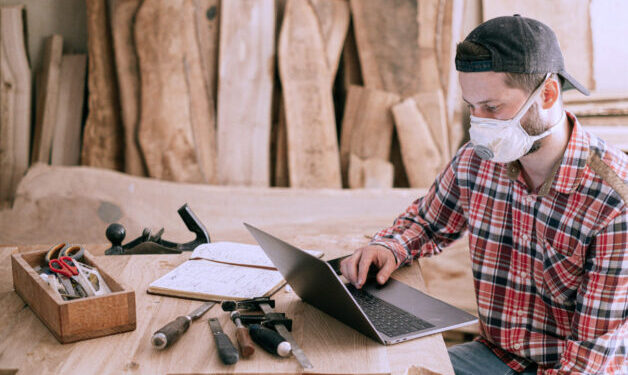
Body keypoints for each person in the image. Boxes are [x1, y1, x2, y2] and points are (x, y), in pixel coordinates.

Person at [340, 15, 627, 375]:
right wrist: (390, 247)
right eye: (471, 107)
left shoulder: (614, 204)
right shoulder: (478, 162)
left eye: (492, 108)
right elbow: (428, 224)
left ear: (548, 94)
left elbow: (590, 359)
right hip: (495, 355)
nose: (480, 125)